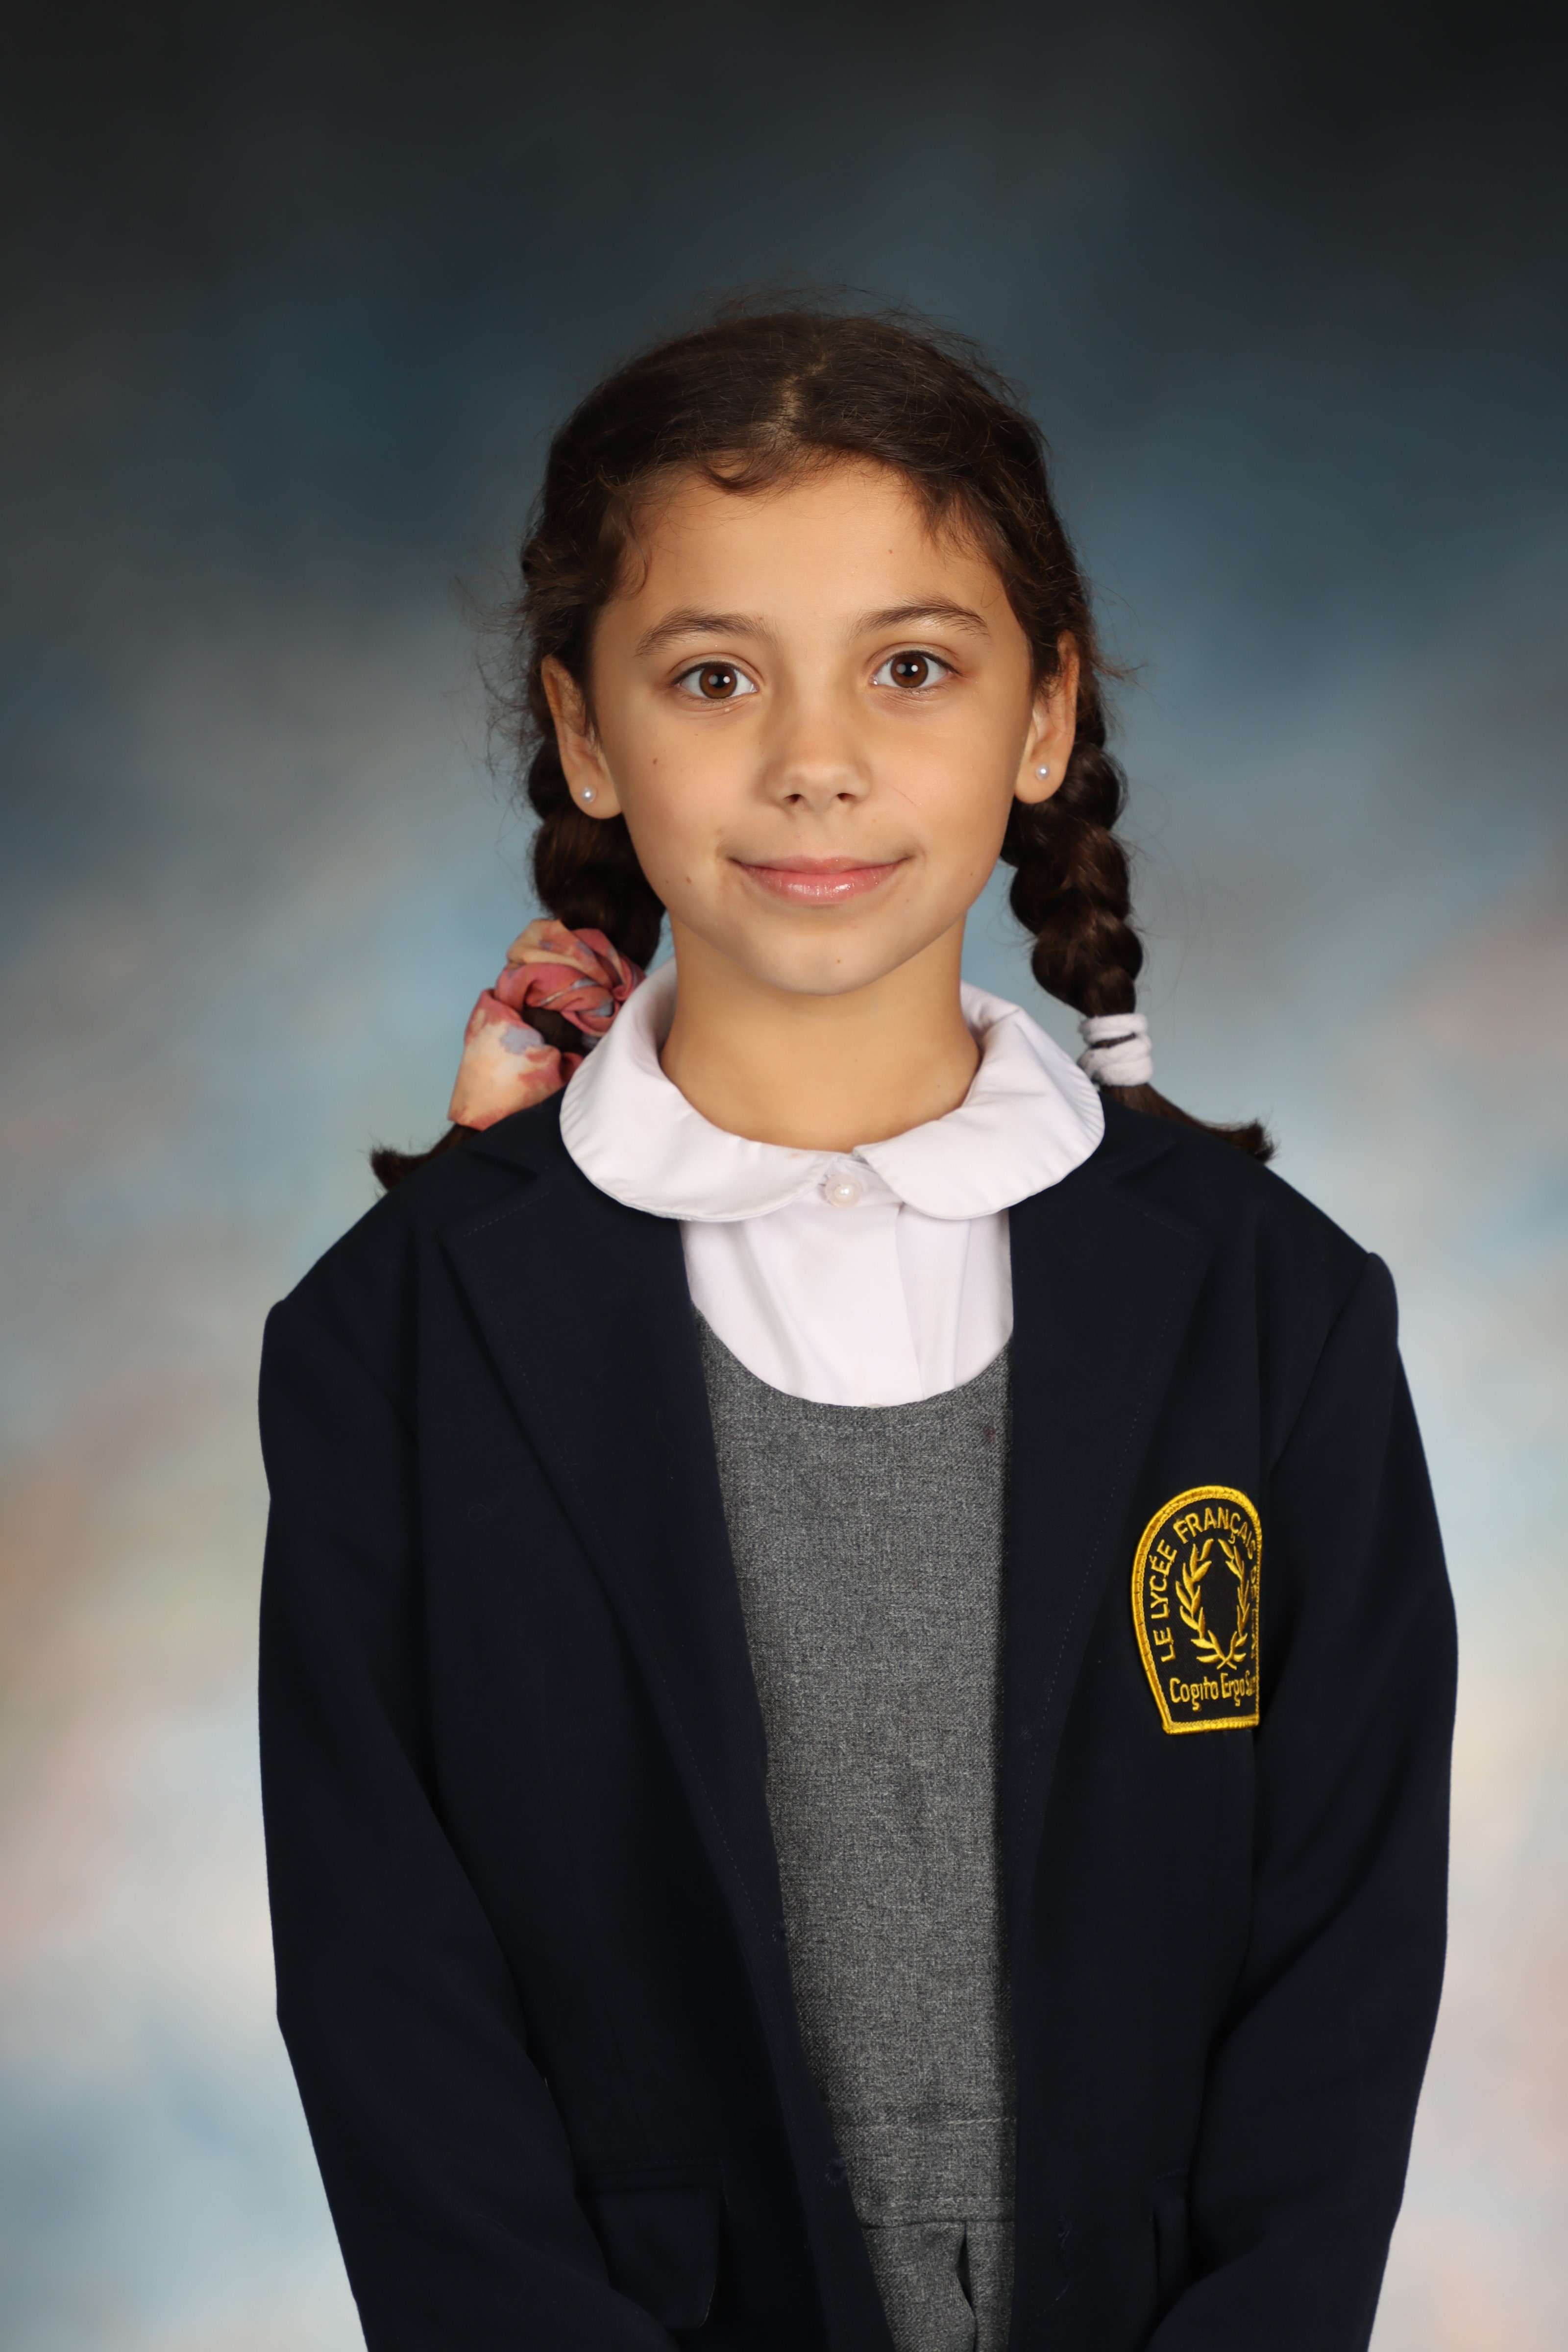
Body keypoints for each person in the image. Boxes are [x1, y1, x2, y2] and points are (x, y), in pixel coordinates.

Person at [258, 307, 1456, 2352]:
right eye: (713, 676)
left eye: (910, 668)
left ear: (1042, 715)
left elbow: (1339, 1968)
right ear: (584, 733)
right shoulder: (400, 1341)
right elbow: (395, 2014)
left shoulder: (1276, 1315)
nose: (813, 759)